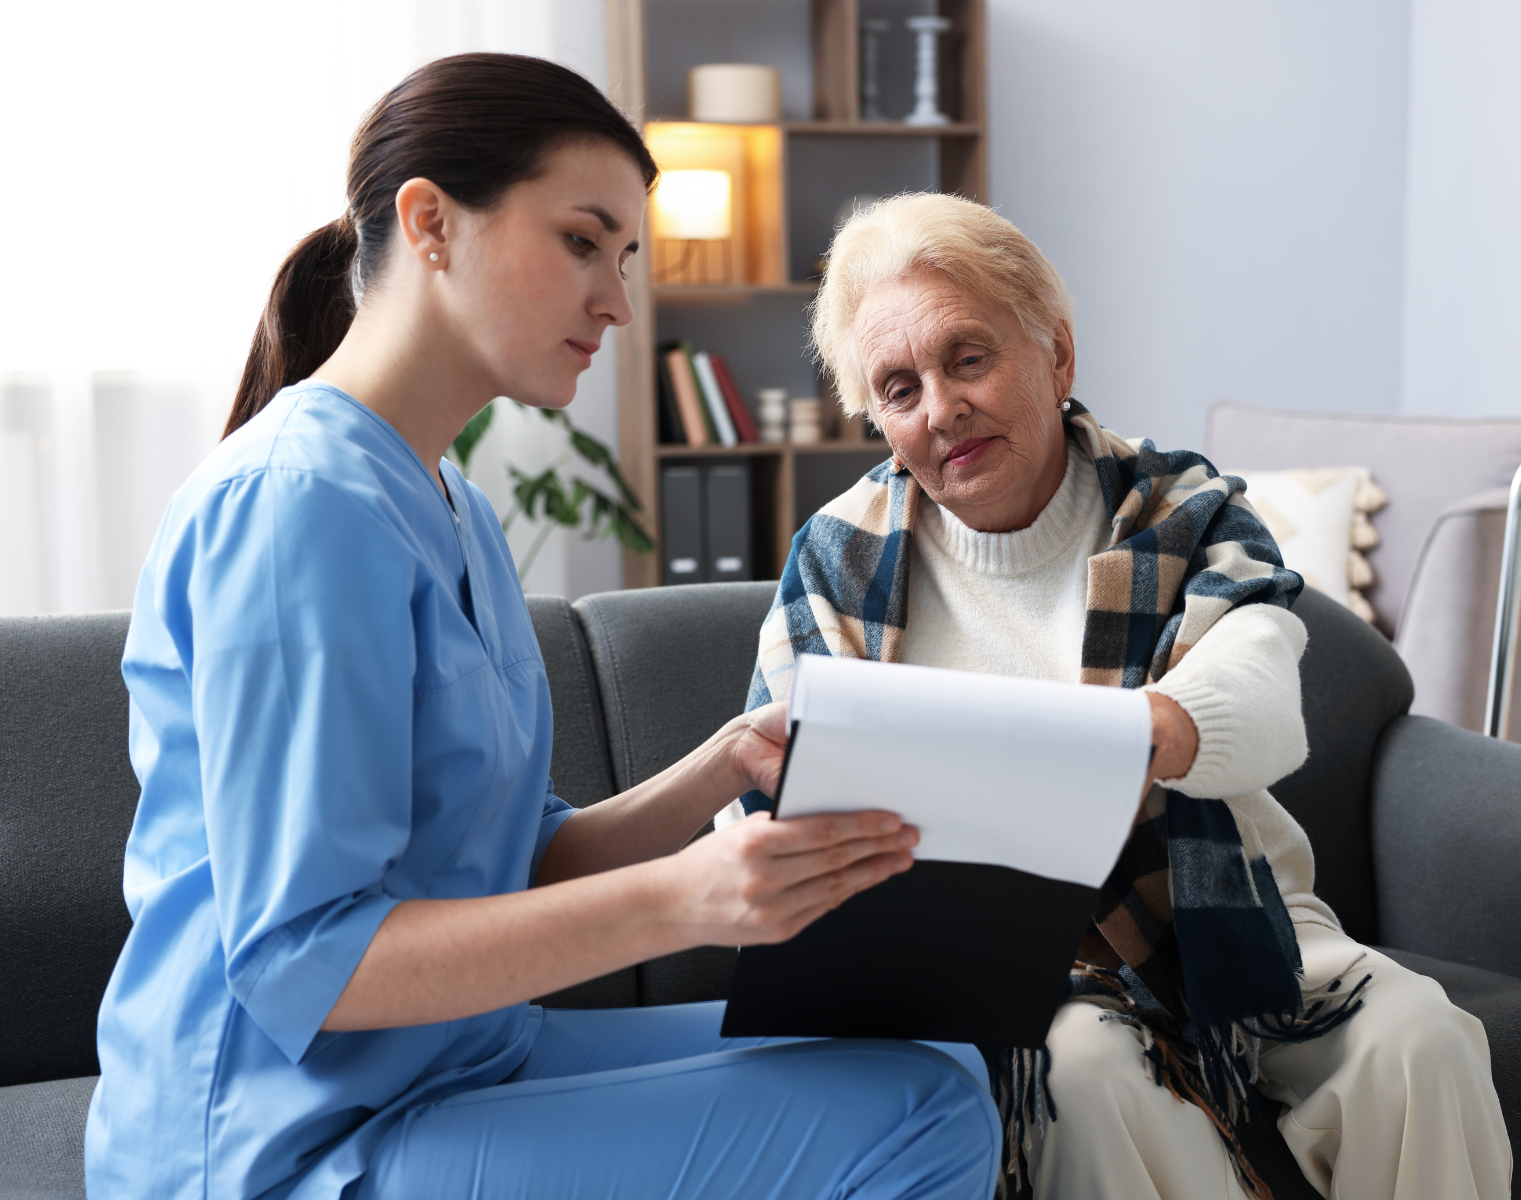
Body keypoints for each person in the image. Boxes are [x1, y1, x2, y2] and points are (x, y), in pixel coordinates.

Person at [84, 54, 999, 1200]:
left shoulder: (449, 504)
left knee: (928, 1067)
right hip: (287, 1143)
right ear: (429, 223)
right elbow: (303, 963)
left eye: (624, 259)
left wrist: (716, 767)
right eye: (583, 242)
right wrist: (691, 896)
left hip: (454, 1061)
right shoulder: (297, 504)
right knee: (914, 1114)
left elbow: (496, 860)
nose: (617, 300)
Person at [737, 192, 1513, 1200]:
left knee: (1421, 1039)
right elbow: (773, 789)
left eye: (966, 357)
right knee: (1087, 1075)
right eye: (898, 387)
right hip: (1007, 964)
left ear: (1055, 353)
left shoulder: (1187, 511)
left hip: (1237, 918)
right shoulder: (837, 562)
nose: (940, 409)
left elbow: (1262, 692)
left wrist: (1120, 735)